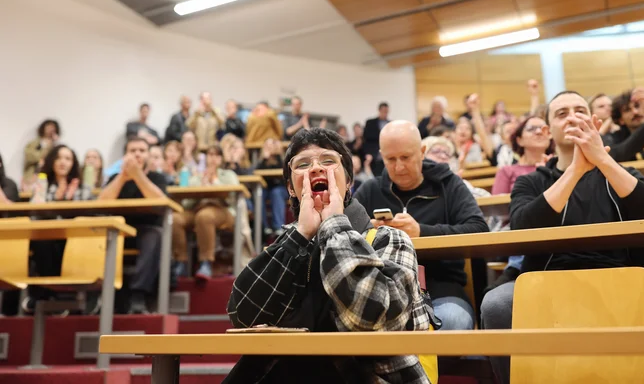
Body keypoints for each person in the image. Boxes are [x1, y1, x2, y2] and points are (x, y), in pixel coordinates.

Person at [226, 127, 433, 383]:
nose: (315, 169)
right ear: (291, 189)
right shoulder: (286, 245)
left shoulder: (388, 238)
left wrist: (334, 223)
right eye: (302, 164)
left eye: (328, 160)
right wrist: (301, 234)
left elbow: (372, 319)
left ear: (348, 183)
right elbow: (243, 316)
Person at [480, 90, 644, 384]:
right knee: (497, 305)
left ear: (593, 121)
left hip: (624, 277)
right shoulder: (531, 181)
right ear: (549, 131)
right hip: (548, 281)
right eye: (562, 114)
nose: (573, 117)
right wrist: (575, 170)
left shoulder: (622, 173)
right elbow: (523, 228)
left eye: (579, 111)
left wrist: (602, 159)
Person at [355, 121, 489, 338]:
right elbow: (343, 235)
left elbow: (479, 230)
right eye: (390, 159)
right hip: (382, 292)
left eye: (406, 157)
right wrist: (367, 229)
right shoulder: (370, 189)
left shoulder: (449, 185)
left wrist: (422, 232)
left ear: (422, 152)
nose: (398, 167)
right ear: (381, 156)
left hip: (442, 288)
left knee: (452, 323)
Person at [98, 137, 168, 314]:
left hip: (146, 230)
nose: (137, 153)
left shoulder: (157, 177)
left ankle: (138, 295)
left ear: (148, 155)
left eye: (142, 150)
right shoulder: (115, 178)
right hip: (118, 231)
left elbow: (160, 202)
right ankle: (97, 295)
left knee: (154, 237)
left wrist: (138, 175)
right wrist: (123, 176)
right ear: (125, 155)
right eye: (132, 150)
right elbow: (101, 203)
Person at [489, 116, 553, 287]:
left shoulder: (559, 166)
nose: (539, 131)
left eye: (543, 128)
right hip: (515, 228)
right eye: (532, 128)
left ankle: (515, 268)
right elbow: (499, 208)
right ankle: (517, 267)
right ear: (519, 139)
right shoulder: (508, 170)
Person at [26, 145, 91, 312]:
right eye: (59, 158)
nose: (63, 162)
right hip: (47, 236)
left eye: (68, 158)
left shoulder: (82, 187)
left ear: (73, 164)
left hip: (74, 238)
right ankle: (48, 292)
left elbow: (88, 215)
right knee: (42, 242)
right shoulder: (43, 184)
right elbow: (33, 213)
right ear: (52, 161)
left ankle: (57, 293)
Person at [172, 145, 238, 280]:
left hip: (222, 210)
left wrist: (214, 181)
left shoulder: (229, 175)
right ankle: (181, 261)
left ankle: (206, 263)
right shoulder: (196, 176)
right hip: (197, 208)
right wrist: (200, 186)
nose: (213, 159)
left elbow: (232, 197)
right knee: (175, 219)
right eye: (210, 155)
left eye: (216, 155)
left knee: (204, 216)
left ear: (221, 159)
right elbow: (186, 203)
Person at [606, 87, 644, 162]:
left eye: (637, 106)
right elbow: (618, 155)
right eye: (627, 110)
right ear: (621, 120)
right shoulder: (615, 137)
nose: (635, 112)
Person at [257, 138, 288, 236]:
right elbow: (257, 173)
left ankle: (278, 227)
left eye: (273, 145)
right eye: (268, 145)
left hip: (281, 189)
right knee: (259, 193)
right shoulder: (262, 162)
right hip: (266, 190)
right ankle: (263, 226)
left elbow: (284, 171)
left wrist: (278, 155)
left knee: (276, 192)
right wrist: (265, 159)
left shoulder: (282, 160)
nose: (270, 148)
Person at [23, 119, 60, 190]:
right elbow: (29, 157)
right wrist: (47, 147)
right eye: (48, 127)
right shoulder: (33, 143)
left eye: (53, 128)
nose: (51, 130)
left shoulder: (55, 146)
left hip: (50, 178)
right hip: (32, 177)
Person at [363, 102, 390, 176]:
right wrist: (368, 153)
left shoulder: (390, 124)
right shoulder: (370, 123)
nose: (385, 113)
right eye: (383, 111)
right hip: (374, 155)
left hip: (387, 155)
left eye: (386, 112)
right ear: (379, 110)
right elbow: (366, 140)